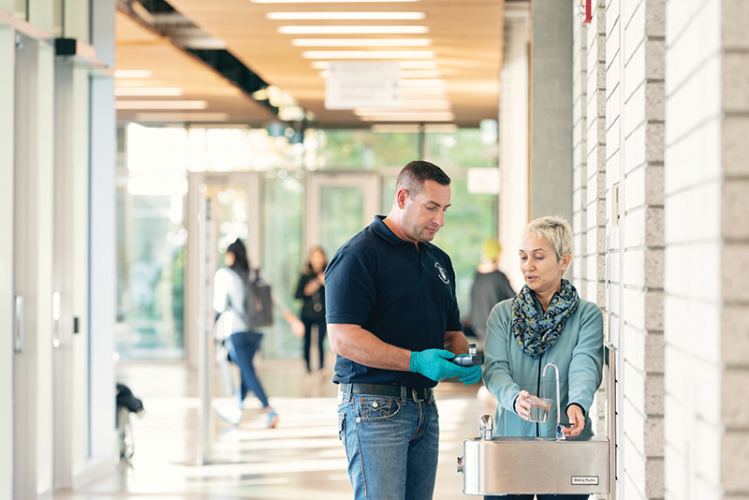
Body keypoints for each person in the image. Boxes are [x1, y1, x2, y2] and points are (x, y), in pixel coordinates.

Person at [326, 160, 483, 500]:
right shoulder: (359, 255)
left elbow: (451, 331)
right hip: (373, 408)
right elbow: (342, 338)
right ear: (401, 198)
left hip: (425, 408)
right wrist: (415, 362)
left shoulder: (439, 260)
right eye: (431, 207)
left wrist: (465, 358)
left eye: (444, 209)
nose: (439, 220)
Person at [482, 216, 604, 500]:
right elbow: (495, 369)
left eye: (538, 256)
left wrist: (578, 404)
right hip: (510, 443)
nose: (528, 265)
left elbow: (585, 363)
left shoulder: (586, 315)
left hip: (565, 443)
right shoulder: (502, 313)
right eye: (523, 257)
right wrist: (514, 398)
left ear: (564, 261)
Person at [213, 238, 304, 428]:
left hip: (236, 330)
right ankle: (237, 410)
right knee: (247, 369)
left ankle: (269, 410)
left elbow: (219, 305)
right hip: (257, 330)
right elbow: (274, 300)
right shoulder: (258, 273)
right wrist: (293, 320)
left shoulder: (224, 274)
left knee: (247, 370)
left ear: (230, 255)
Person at [465, 238, 515, 342]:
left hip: (477, 325)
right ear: (498, 254)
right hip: (493, 325)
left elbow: (472, 299)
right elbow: (515, 300)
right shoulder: (499, 277)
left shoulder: (477, 275)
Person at [295, 246, 328, 373]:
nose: (317, 260)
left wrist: (325, 282)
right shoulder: (305, 274)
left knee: (320, 342)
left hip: (323, 314)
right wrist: (309, 288)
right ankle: (308, 368)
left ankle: (321, 368)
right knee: (307, 342)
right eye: (314, 256)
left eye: (319, 256)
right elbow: (297, 295)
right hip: (307, 314)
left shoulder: (328, 272)